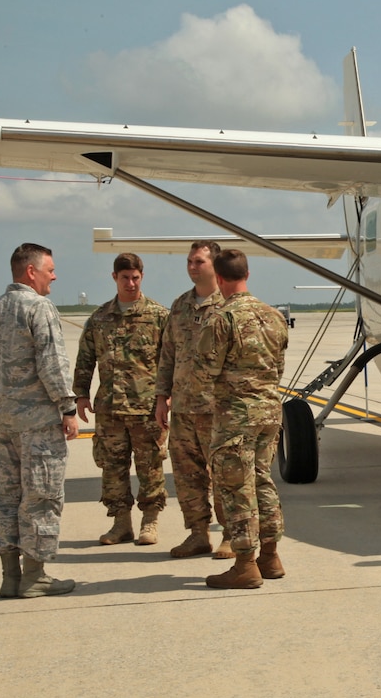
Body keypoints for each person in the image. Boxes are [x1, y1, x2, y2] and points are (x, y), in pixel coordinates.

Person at [0, 243, 77, 598]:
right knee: (41, 497)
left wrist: (2, 407)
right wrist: (67, 408)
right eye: (49, 269)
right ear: (30, 272)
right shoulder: (39, 307)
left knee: (6, 495)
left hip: (3, 423)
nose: (54, 275)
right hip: (38, 425)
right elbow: (52, 363)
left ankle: (9, 577)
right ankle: (34, 576)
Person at [200, 249, 290, 589]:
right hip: (269, 412)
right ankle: (270, 555)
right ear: (247, 274)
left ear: (219, 279)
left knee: (236, 488)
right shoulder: (274, 316)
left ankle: (244, 564)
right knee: (262, 481)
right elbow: (277, 368)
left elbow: (206, 369)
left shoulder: (222, 319)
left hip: (235, 416)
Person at [74, 252, 170, 545]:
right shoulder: (100, 318)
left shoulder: (158, 316)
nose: (130, 283)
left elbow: (170, 361)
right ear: (114, 278)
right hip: (110, 409)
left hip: (147, 410)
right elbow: (85, 359)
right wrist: (80, 394)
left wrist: (165, 398)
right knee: (112, 469)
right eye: (125, 277)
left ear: (142, 277)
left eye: (135, 277)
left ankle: (150, 522)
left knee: (150, 467)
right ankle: (121, 523)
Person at [155, 241, 237, 559]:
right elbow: (168, 355)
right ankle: (198, 534)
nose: (191, 266)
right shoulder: (179, 306)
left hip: (217, 408)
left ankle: (230, 534)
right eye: (189, 261)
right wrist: (162, 397)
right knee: (188, 476)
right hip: (184, 408)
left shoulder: (228, 305)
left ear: (214, 266)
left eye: (198, 261)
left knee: (224, 476)